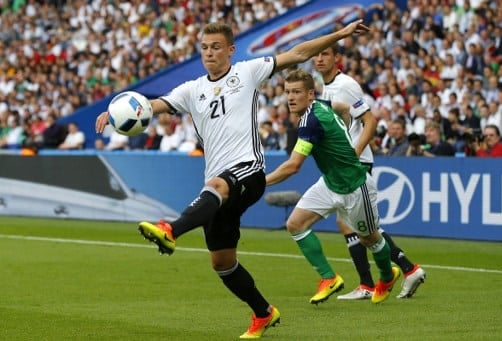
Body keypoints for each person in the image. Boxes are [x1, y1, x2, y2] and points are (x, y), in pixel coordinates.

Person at [95, 20, 370, 339]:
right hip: (218, 184)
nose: (209, 53)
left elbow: (296, 53)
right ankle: (264, 313)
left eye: (215, 47)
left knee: (216, 188)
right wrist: (116, 115)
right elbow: (153, 106)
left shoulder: (248, 72)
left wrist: (340, 34)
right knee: (222, 262)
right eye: (204, 47)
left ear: (230, 50)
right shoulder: (191, 89)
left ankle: (171, 228)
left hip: (248, 170)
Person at [266, 68, 400, 306]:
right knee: (295, 224)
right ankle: (329, 278)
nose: (290, 97)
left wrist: (259, 181)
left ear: (310, 95)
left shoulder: (311, 121)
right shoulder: (320, 106)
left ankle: (388, 276)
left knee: (370, 239)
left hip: (355, 187)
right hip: (330, 183)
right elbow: (343, 107)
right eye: (287, 92)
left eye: (296, 92)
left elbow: (293, 166)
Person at [312, 45, 426, 300]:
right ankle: (396, 273)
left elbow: (369, 120)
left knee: (361, 226)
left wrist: (356, 150)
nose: (319, 58)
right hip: (345, 162)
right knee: (352, 224)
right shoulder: (327, 88)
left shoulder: (346, 85)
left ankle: (387, 276)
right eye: (316, 55)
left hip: (356, 161)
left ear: (336, 58)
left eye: (325, 54)